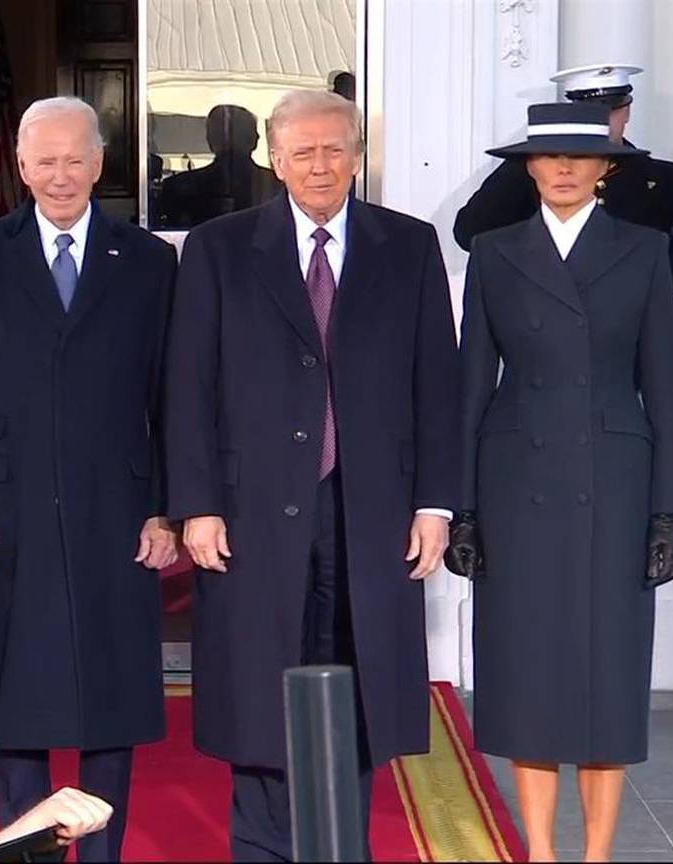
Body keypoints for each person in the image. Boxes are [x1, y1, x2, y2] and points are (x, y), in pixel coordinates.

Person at [164, 89, 460, 862]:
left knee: (359, 683)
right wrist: (195, 505)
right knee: (261, 684)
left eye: (335, 149)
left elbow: (439, 384)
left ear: (357, 155)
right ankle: (262, 849)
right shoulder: (219, 248)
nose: (320, 165)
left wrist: (436, 503)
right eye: (303, 151)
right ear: (273, 157)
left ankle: (337, 844)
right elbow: (187, 385)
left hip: (371, 509)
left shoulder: (410, 246)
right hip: (250, 507)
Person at [0, 96, 179, 863]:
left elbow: (173, 395)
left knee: (111, 696)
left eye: (76, 159)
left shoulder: (148, 260)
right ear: (21, 167)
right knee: (19, 699)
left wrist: (167, 508)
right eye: (46, 161)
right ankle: (25, 853)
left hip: (119, 507)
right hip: (8, 510)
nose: (61, 175)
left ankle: (103, 854)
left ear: (99, 164)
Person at [445, 102, 673, 863]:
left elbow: (663, 386)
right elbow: (470, 385)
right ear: (527, 166)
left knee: (608, 677)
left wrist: (667, 514)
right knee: (530, 676)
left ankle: (598, 856)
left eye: (577, 159)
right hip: (515, 483)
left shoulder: (644, 251)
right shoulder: (493, 251)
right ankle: (543, 854)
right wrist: (464, 510)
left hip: (615, 485)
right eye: (546, 157)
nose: (560, 170)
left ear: (606, 167)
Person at [451, 64, 673, 403]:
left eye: (612, 110)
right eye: (590, 112)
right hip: (550, 347)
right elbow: (470, 232)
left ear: (626, 111)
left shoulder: (665, 182)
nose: (603, 121)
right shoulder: (534, 172)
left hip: (629, 351)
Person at [156, 105, 281, 229]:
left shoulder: (180, 186)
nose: (258, 136)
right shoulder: (278, 186)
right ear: (254, 139)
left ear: (210, 140)